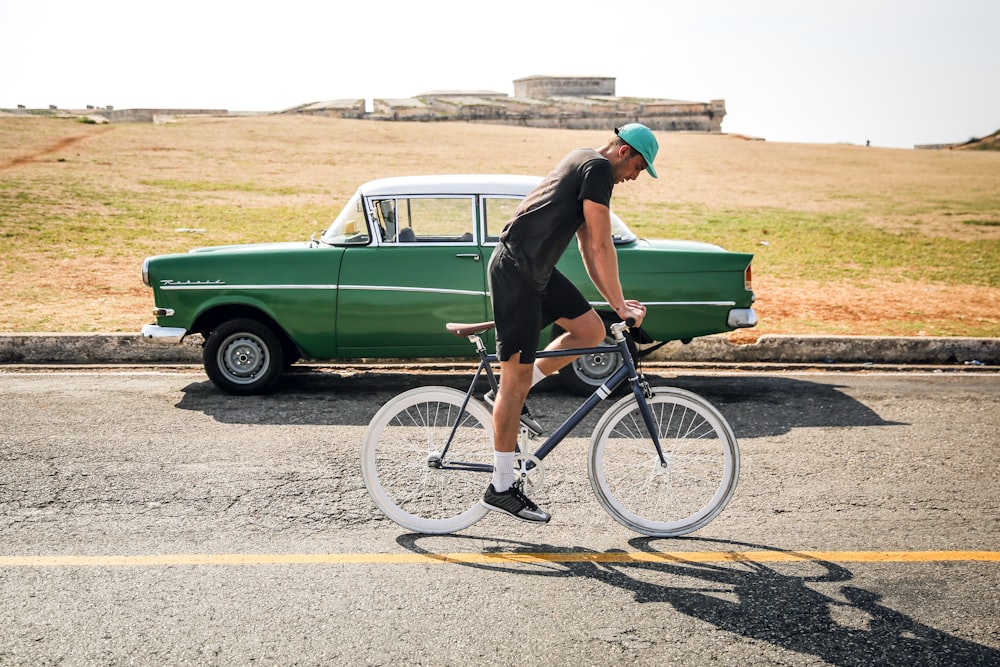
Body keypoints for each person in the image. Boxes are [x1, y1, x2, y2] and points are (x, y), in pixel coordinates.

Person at [481, 123, 657, 523]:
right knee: (514, 382)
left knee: (591, 331)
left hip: (535, 272)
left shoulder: (582, 159)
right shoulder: (596, 169)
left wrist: (615, 303)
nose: (634, 177)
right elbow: (600, 242)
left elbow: (586, 245)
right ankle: (502, 486)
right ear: (624, 151)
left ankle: (509, 398)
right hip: (516, 273)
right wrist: (621, 306)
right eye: (639, 167)